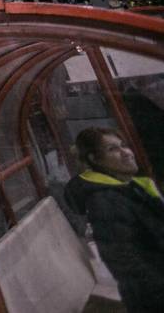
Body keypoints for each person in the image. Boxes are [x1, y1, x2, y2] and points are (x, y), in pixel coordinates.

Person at [65, 128, 164, 313]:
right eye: (112, 149)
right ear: (95, 159)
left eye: (124, 145)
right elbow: (126, 263)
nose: (126, 152)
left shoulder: (131, 188)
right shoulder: (105, 201)